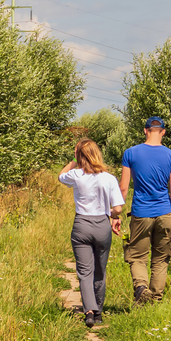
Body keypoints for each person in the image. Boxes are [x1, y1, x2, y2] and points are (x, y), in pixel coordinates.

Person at [119, 116, 171, 304]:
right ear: (163, 132)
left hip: (141, 213)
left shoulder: (130, 153)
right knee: (161, 258)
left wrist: (116, 213)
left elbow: (123, 187)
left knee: (138, 257)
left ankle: (141, 287)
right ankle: (155, 299)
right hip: (164, 213)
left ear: (145, 131)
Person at [59, 138, 123, 326]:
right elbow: (118, 209)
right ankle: (99, 312)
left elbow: (60, 176)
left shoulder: (76, 175)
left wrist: (72, 160)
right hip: (102, 224)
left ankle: (88, 311)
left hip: (82, 224)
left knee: (84, 271)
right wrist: (109, 213)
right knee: (99, 271)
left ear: (80, 156)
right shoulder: (109, 178)